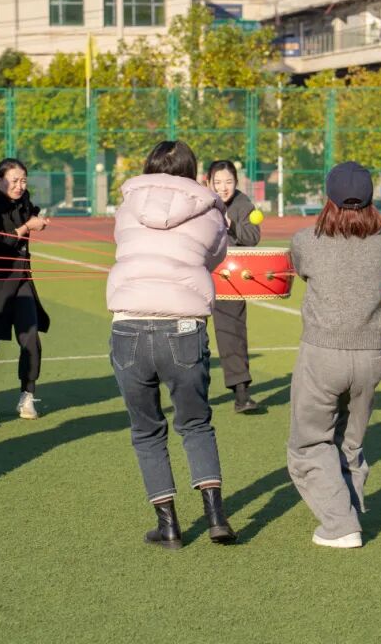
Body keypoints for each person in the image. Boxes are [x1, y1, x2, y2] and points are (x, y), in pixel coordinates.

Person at [107, 140, 236, 549]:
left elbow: (123, 245)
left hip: (129, 322)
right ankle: (216, 517)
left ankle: (168, 526)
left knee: (146, 431)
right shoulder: (211, 208)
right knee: (196, 423)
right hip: (183, 324)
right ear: (192, 169)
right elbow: (216, 256)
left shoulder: (127, 205)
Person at [288, 161, 381, 549]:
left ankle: (340, 524)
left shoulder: (306, 240)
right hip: (371, 355)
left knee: (309, 445)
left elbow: (298, 272)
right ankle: (351, 508)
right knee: (349, 443)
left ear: (328, 198)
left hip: (323, 353)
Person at [0, 158, 51, 421]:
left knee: (30, 337)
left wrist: (36, 218)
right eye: (14, 181)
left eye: (23, 180)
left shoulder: (23, 198)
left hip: (21, 278)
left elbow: (27, 214)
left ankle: (27, 395)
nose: (19, 186)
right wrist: (27, 227)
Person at [206, 160, 262, 413]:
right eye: (217, 182)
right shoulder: (201, 202)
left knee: (233, 334)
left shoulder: (243, 205)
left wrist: (232, 225)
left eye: (228, 182)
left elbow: (253, 238)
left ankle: (241, 393)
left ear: (236, 183)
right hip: (199, 274)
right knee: (190, 333)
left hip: (230, 278)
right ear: (208, 183)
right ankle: (193, 393)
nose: (223, 187)